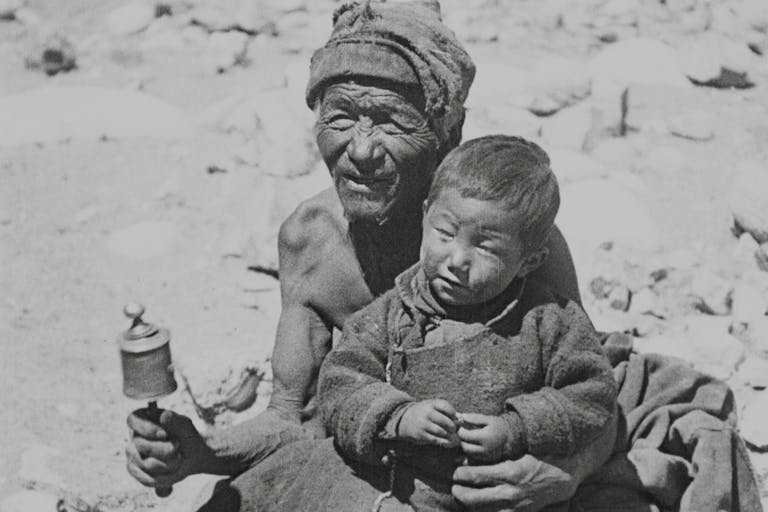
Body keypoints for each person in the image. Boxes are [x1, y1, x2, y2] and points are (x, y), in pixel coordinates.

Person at [125, 2, 761, 510]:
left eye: (391, 123)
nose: (362, 150)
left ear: (447, 131)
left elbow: (582, 392)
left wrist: (560, 474)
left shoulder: (514, 242)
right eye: (340, 117)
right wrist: (200, 451)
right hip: (399, 454)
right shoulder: (311, 239)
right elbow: (295, 419)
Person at [315, 135, 618, 511]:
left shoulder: (548, 320)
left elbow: (592, 393)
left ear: (529, 261)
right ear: (426, 215)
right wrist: (397, 417)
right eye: (444, 233)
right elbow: (339, 385)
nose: (457, 259)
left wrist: (517, 428)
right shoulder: (392, 314)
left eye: (486, 247)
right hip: (406, 493)